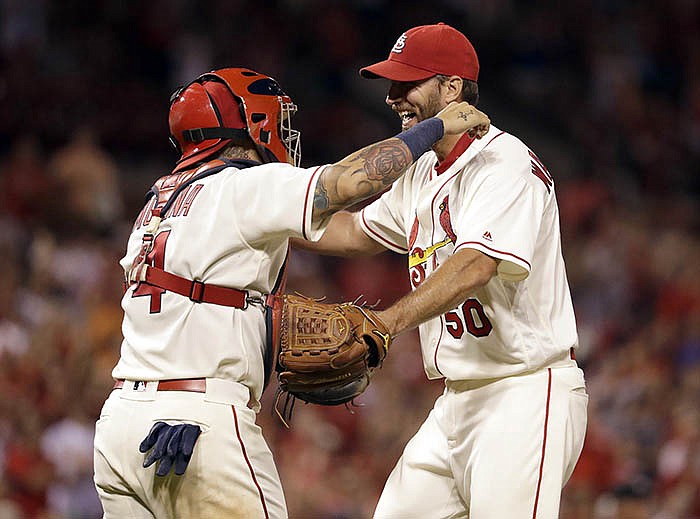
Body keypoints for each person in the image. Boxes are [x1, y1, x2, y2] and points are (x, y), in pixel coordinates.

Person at [91, 66, 490, 519]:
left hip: (120, 429)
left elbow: (348, 236)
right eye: (277, 120)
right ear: (252, 124)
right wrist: (435, 127)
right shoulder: (243, 184)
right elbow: (347, 183)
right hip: (196, 423)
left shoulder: (156, 202)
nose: (285, 132)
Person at [293, 23, 588, 518]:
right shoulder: (422, 171)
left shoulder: (504, 161)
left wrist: (385, 323)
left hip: (524, 392)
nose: (391, 96)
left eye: (407, 83)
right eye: (390, 83)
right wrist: (260, 221)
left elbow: (475, 265)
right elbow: (352, 233)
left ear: (452, 89)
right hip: (455, 402)